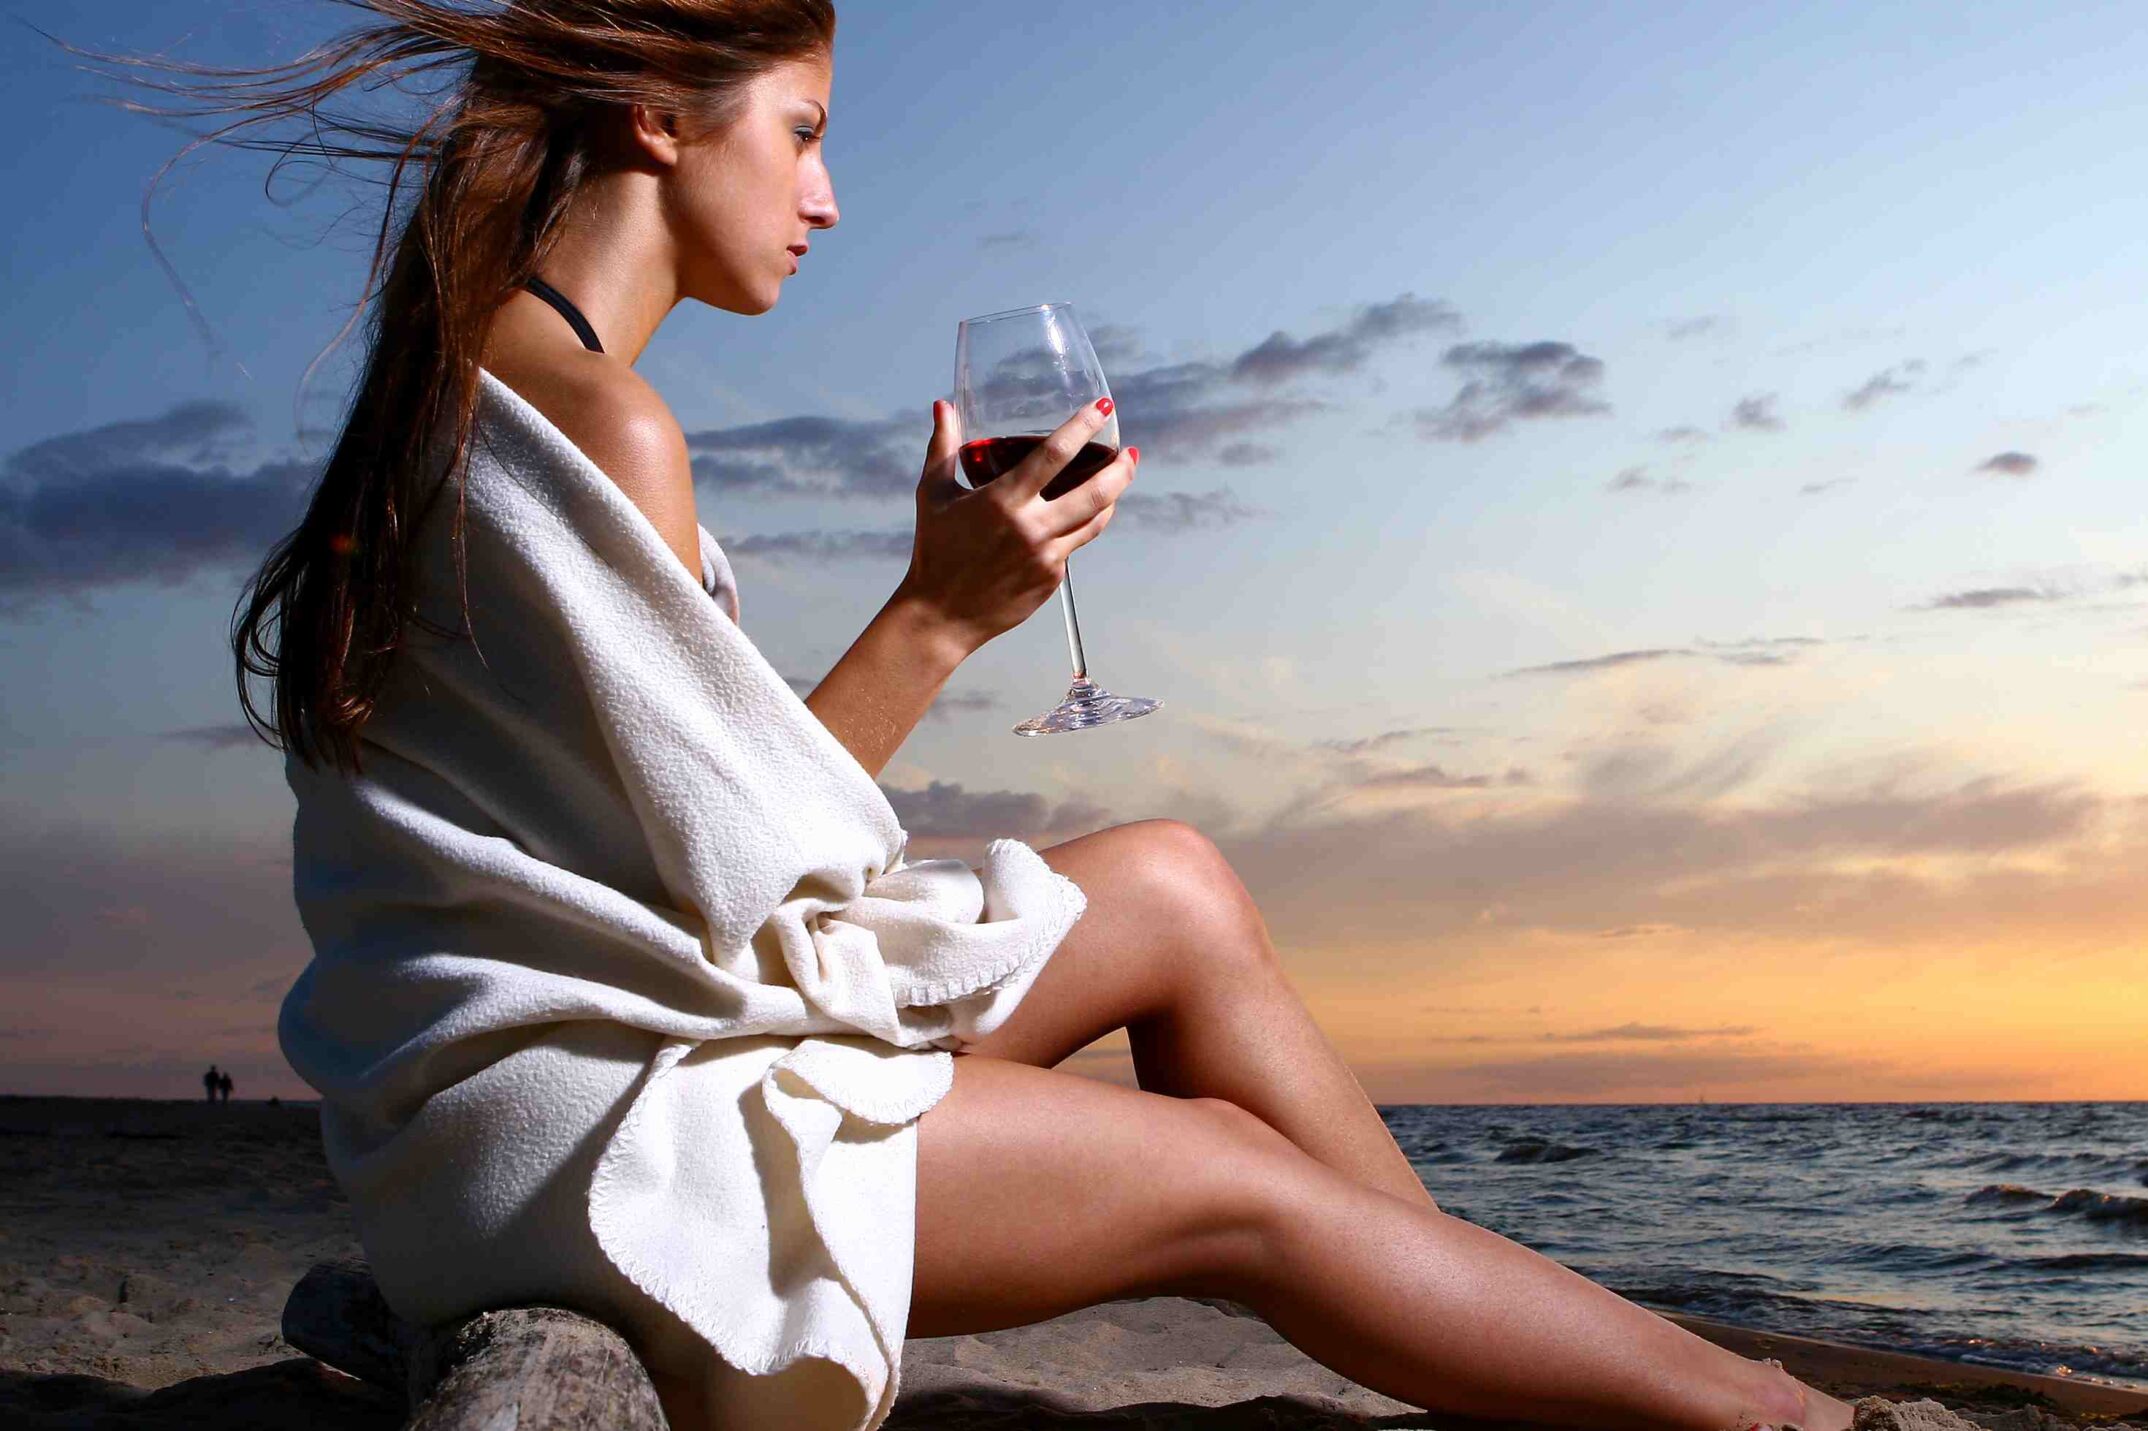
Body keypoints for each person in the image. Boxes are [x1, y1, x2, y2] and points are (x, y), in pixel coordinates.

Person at [75, 6, 1850, 1431]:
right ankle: (1769, 1415)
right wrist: (942, 611)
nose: (828, 197)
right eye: (808, 127)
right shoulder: (599, 425)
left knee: (1166, 881)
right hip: (601, 1142)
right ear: (658, 117)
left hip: (557, 1085)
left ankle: (1499, 1321)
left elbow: (671, 855)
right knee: (1237, 1183)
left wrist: (948, 604)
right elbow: (736, 883)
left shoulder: (495, 388)